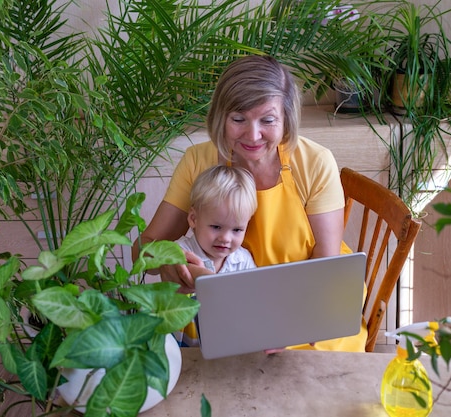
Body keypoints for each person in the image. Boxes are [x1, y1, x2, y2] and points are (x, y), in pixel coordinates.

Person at [134, 54, 367, 352]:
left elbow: (326, 269)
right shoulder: (197, 161)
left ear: (286, 119)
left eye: (267, 120)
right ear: (221, 117)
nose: (253, 135)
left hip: (303, 310)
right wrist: (166, 262)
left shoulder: (315, 163)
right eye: (238, 119)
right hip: (219, 319)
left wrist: (283, 325)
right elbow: (143, 248)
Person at [176, 164, 257, 273]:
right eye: (216, 227)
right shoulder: (179, 252)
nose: (225, 238)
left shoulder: (243, 260)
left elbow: (254, 289)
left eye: (237, 230)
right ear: (193, 219)